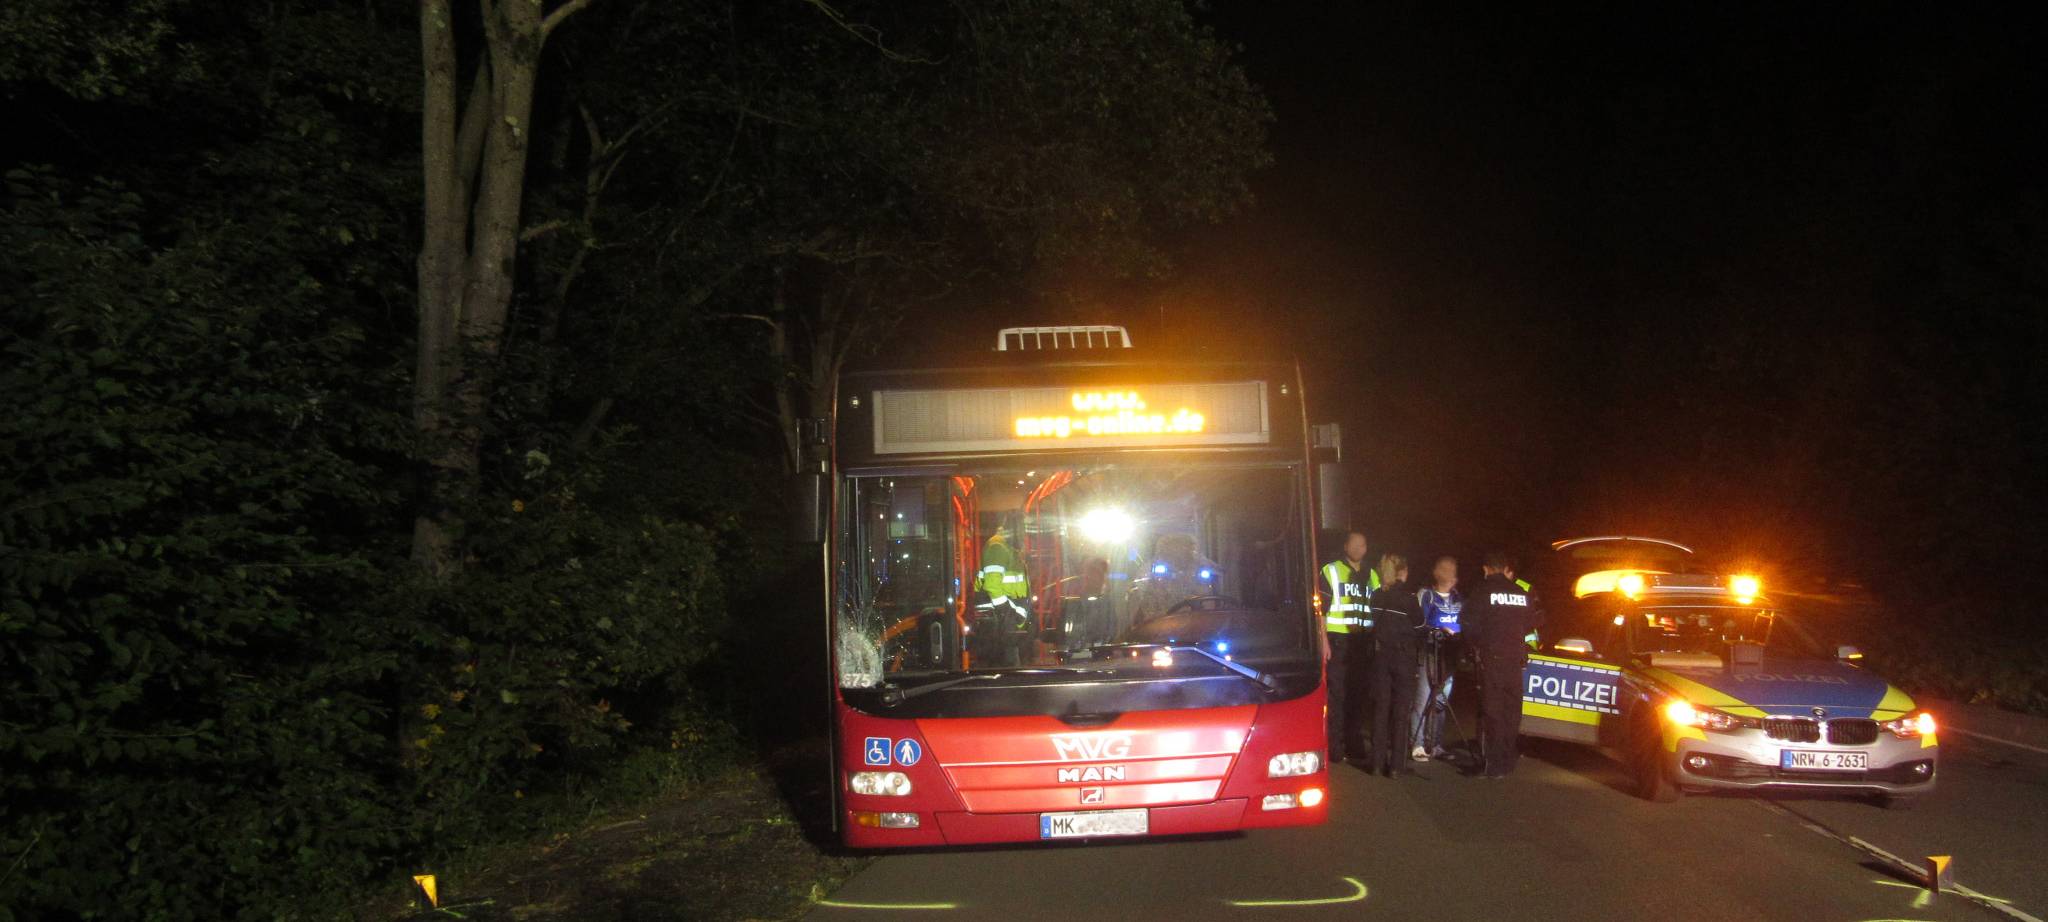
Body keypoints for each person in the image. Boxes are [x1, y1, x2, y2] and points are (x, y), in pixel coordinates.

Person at [1464, 551, 1543, 778]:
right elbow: (1531, 623)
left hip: (1493, 660)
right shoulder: (1520, 592)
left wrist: (1475, 646)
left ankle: (1492, 765)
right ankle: (1507, 761)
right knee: (1511, 712)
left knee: (1492, 712)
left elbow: (1468, 623)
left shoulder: (1483, 591)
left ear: (1486, 569)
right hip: (1516, 661)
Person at [1317, 530, 1380, 763]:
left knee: (1358, 695)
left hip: (1362, 642)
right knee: (1337, 695)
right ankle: (1335, 747)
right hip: (1338, 640)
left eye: (1362, 545)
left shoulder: (1371, 574)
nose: (1358, 549)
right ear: (1345, 547)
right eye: (1354, 545)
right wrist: (1323, 640)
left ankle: (1354, 745)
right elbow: (1320, 610)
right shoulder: (1331, 570)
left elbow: (1376, 608)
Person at [1366, 554, 1424, 777]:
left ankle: (1376, 763)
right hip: (1403, 658)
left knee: (1380, 710)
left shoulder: (1376, 596)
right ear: (1402, 572)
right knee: (1400, 712)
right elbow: (1420, 625)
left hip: (1381, 658)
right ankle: (1396, 766)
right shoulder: (1408, 599)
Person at [1411, 556, 1464, 761]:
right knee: (1423, 699)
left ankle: (1435, 743)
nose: (1449, 573)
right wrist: (1437, 630)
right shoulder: (1426, 595)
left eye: (1452, 569)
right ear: (1436, 572)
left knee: (1441, 700)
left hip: (1448, 655)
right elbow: (1417, 623)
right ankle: (1417, 744)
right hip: (1429, 653)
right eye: (1444, 569)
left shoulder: (1458, 598)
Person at [973, 530, 1032, 666]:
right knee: (1006, 673)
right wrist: (1008, 613)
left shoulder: (1005, 548)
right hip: (997, 625)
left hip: (1001, 624)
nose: (1025, 536)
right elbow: (992, 585)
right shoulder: (998, 547)